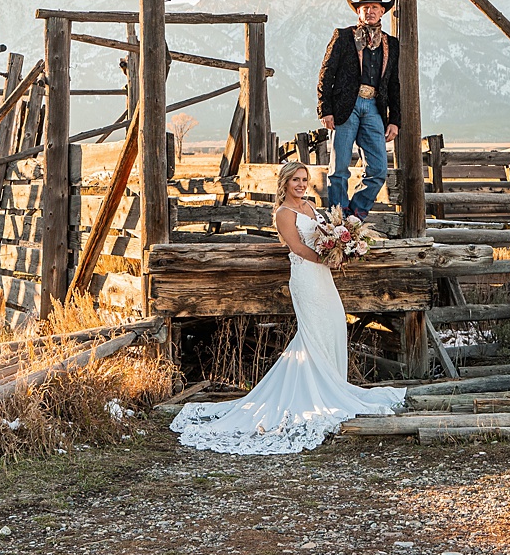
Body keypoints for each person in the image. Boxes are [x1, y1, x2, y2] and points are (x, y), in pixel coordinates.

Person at [169, 161, 405, 454]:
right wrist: (329, 258)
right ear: (285, 182)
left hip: (323, 276)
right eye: (295, 179)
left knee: (333, 326)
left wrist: (342, 246)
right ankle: (316, 395)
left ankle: (333, 387)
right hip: (306, 278)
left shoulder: (311, 207)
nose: (301, 184)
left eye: (304, 179)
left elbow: (322, 238)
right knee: (314, 333)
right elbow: (297, 247)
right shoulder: (283, 213)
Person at [317, 0, 401, 218]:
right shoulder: (343, 36)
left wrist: (395, 120)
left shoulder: (390, 44)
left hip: (374, 108)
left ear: (382, 11)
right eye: (365, 7)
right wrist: (325, 109)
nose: (370, 11)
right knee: (339, 169)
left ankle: (355, 213)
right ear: (358, 12)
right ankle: (337, 218)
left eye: (374, 7)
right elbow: (326, 72)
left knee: (378, 170)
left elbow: (394, 83)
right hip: (346, 107)